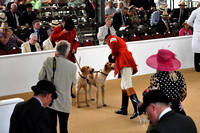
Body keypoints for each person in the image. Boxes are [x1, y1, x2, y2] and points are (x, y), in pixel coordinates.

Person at [39, 40, 77, 133]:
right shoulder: (72, 66)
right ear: (67, 51)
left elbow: (40, 78)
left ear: (56, 50)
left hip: (49, 100)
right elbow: (74, 82)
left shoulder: (48, 61)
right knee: (64, 127)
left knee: (52, 127)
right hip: (65, 101)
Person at [105, 34, 140, 119]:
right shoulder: (120, 41)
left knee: (128, 85)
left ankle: (138, 109)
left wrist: (113, 54)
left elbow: (113, 41)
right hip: (125, 60)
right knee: (123, 86)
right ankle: (124, 108)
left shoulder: (110, 38)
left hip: (124, 61)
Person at [145, 49, 187, 115]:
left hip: (163, 109)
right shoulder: (179, 75)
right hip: (177, 108)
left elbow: (154, 96)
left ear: (158, 62)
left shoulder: (156, 77)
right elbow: (183, 93)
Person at [187, 4, 200, 72]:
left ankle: (197, 67)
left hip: (197, 32)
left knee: (197, 50)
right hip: (197, 32)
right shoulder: (195, 11)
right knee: (197, 50)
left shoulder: (195, 11)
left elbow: (189, 22)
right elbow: (189, 22)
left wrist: (195, 26)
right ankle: (197, 66)